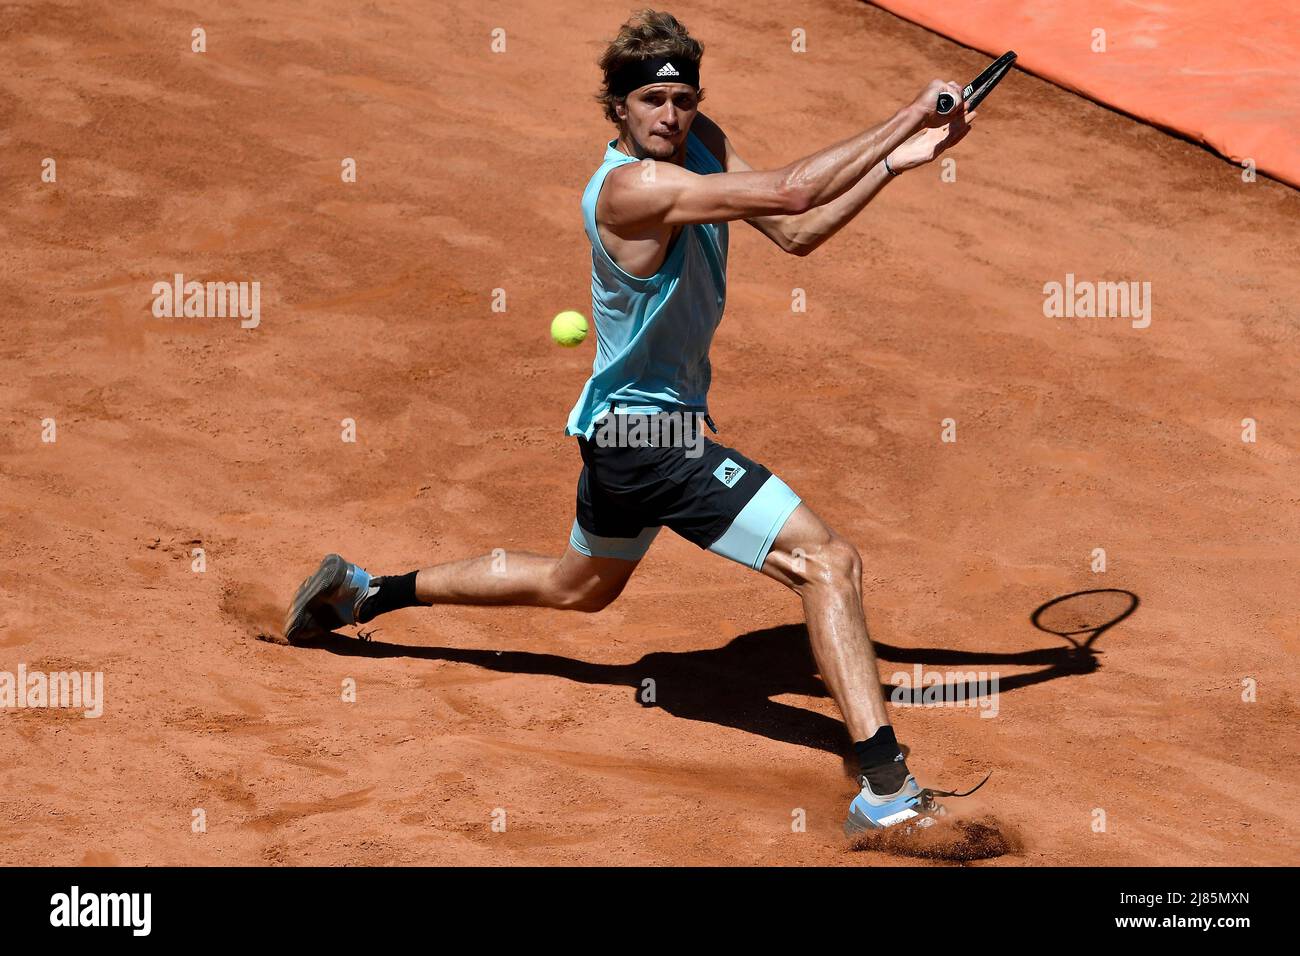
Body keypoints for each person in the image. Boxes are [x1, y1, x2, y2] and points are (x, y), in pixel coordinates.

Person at [285, 9, 979, 836]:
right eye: (650, 100)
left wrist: (899, 162)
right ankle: (886, 787)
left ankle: (365, 591)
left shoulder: (699, 143)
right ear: (615, 108)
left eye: (683, 98)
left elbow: (797, 229)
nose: (670, 116)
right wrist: (908, 111)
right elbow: (793, 187)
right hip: (651, 440)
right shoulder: (630, 188)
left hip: (618, 431)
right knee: (827, 564)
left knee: (576, 588)